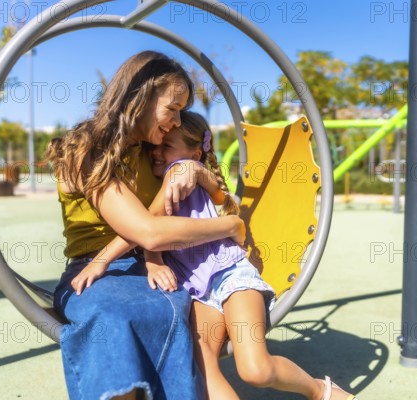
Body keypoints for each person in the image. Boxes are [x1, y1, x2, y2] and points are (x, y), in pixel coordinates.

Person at [71, 111, 358, 400]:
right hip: (196, 291)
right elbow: (160, 229)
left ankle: (321, 390)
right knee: (203, 370)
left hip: (231, 278)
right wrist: (153, 260)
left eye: (167, 145)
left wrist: (102, 259)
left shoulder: (179, 172)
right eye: (155, 146)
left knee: (255, 370)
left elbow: (147, 227)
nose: (157, 152)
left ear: (194, 153)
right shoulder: (175, 176)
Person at [47, 52, 245, 400]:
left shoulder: (152, 152)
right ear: (141, 95)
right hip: (97, 270)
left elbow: (217, 198)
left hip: (158, 266)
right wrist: (229, 227)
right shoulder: (85, 150)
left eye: (182, 111)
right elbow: (149, 231)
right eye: (173, 108)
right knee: (116, 317)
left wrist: (195, 170)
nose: (176, 120)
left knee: (171, 311)